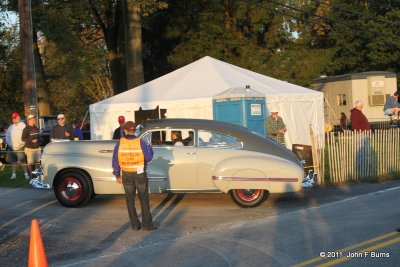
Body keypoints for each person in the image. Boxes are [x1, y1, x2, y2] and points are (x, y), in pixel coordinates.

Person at [112, 121, 157, 231]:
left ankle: (135, 225)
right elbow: (149, 158)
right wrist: (150, 148)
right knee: (144, 199)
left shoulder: (119, 143)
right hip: (140, 174)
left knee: (130, 200)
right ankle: (147, 225)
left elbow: (115, 161)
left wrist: (117, 175)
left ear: (125, 130)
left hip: (126, 175)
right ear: (134, 130)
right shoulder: (140, 142)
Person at [5, 112, 29, 179]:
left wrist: (22, 143)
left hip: (20, 147)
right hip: (12, 147)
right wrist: (10, 144)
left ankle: (26, 174)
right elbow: (7, 137)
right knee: (13, 161)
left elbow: (25, 135)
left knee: (23, 161)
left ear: (18, 118)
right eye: (13, 118)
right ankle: (13, 174)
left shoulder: (23, 125)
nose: (14, 119)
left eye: (15, 118)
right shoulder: (10, 127)